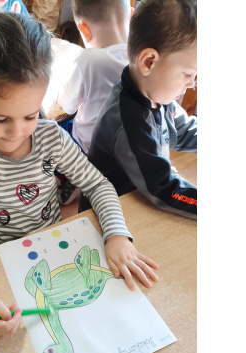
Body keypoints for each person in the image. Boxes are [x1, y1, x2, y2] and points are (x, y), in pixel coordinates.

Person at [0, 10, 160, 337]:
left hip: (51, 255)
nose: (17, 133)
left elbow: (98, 185)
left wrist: (116, 235)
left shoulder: (50, 137)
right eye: (0, 119)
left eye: (30, 116)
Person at [84, 0, 197, 219]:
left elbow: (183, 131)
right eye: (187, 74)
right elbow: (163, 188)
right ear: (148, 62)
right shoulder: (128, 123)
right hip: (111, 216)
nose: (191, 84)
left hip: (142, 197)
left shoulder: (157, 95)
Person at [56, 0, 134, 205]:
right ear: (131, 16)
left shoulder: (89, 59)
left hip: (90, 148)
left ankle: (70, 177)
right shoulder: (142, 56)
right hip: (130, 148)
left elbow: (68, 105)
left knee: (55, 129)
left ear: (84, 29)